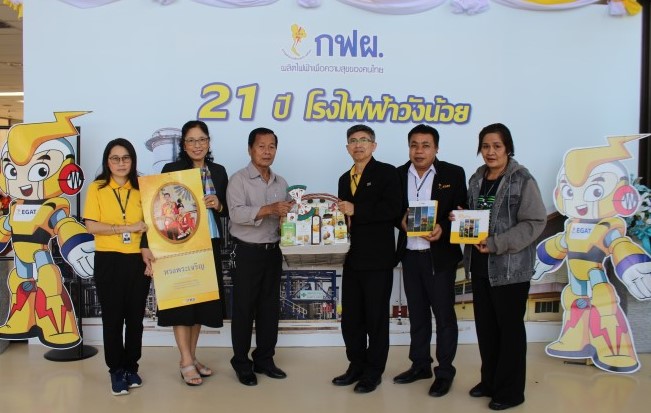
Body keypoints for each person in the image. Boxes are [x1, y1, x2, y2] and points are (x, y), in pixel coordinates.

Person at [461, 123, 546, 410]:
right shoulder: (477, 177)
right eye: (485, 146)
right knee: (486, 330)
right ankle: (490, 381)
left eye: (497, 146)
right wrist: (461, 218)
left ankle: (510, 392)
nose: (491, 151)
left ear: (508, 147)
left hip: (510, 269)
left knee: (509, 332)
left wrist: (497, 243)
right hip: (480, 265)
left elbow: (535, 222)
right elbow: (476, 216)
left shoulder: (522, 179)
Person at [151, 120, 229, 386]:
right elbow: (160, 207)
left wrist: (219, 205)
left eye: (202, 139)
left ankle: (191, 357)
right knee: (182, 304)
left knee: (201, 304)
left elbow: (227, 210)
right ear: (183, 145)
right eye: (191, 141)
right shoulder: (171, 170)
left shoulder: (218, 171)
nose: (197, 145)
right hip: (181, 244)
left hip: (209, 243)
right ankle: (185, 361)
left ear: (209, 142)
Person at [394, 124, 467, 397]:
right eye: (414, 145)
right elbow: (393, 210)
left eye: (426, 145)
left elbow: (461, 211)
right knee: (418, 315)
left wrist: (443, 229)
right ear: (408, 148)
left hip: (440, 258)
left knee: (444, 317)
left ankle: (445, 372)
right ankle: (420, 364)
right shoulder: (398, 174)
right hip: (411, 255)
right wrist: (400, 221)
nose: (419, 151)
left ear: (436, 148)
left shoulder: (453, 173)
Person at [332, 124, 402, 394]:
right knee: (351, 319)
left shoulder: (387, 173)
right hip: (351, 259)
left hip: (378, 260)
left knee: (376, 319)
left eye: (363, 140)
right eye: (353, 140)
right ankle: (356, 366)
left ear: (374, 145)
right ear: (347, 147)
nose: (358, 145)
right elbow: (344, 218)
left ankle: (373, 372)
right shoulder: (343, 178)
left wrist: (356, 209)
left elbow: (393, 209)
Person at [83, 138, 151, 396]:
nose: (121, 163)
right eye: (115, 158)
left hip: (137, 260)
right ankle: (116, 370)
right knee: (112, 319)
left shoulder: (142, 187)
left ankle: (131, 367)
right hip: (108, 259)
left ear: (132, 160)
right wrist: (126, 228)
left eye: (126, 158)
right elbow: (91, 226)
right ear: (107, 161)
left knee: (135, 319)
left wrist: (147, 253)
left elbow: (152, 225)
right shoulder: (97, 188)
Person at [226, 127, 294, 386]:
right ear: (250, 149)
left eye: (271, 146)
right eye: (261, 146)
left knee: (269, 309)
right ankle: (241, 363)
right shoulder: (238, 180)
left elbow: (284, 219)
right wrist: (270, 209)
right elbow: (236, 214)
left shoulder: (282, 183)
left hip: (272, 252)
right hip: (246, 252)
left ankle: (265, 359)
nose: (267, 151)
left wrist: (292, 215)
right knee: (244, 310)